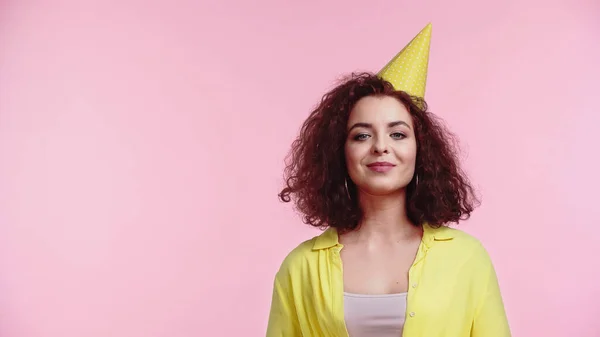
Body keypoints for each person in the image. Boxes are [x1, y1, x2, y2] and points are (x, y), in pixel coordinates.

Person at [266, 23, 511, 337]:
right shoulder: (299, 268)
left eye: (397, 134)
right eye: (362, 135)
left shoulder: (468, 257)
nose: (381, 146)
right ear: (339, 154)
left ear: (421, 151)